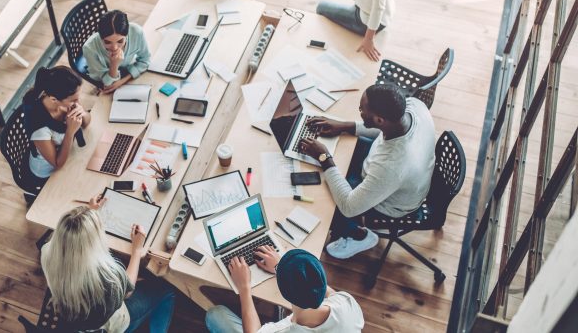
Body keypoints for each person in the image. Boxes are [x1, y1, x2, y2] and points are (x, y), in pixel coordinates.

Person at [299, 84, 436, 260]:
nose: (360, 112)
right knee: (340, 158)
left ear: (379, 120)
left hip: (391, 204)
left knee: (326, 202)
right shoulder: (414, 106)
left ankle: (359, 236)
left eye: (362, 110)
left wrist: (324, 157)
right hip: (389, 169)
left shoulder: (392, 166)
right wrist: (344, 126)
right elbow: (383, 131)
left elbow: (349, 207)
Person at [40, 197, 176, 332]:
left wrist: (88, 213)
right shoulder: (106, 276)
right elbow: (128, 290)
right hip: (110, 324)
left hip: (73, 312)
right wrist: (137, 250)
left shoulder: (46, 251)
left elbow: (72, 237)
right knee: (166, 289)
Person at [205, 248, 364, 332]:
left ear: (284, 291)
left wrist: (244, 287)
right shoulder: (347, 302)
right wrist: (281, 268)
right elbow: (319, 285)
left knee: (215, 315)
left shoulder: (281, 331)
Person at [22, 65, 90, 181]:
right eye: (74, 100)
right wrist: (70, 131)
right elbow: (57, 163)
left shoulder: (64, 102)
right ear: (54, 99)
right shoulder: (40, 128)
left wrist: (82, 112)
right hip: (48, 172)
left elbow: (86, 122)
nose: (77, 102)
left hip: (69, 153)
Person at [83, 9, 151, 95]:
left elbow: (145, 60)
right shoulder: (89, 49)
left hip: (126, 73)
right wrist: (114, 65)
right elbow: (108, 84)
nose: (114, 48)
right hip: (106, 76)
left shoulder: (136, 32)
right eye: (107, 42)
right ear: (100, 36)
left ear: (127, 35)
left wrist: (122, 81)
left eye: (120, 41)